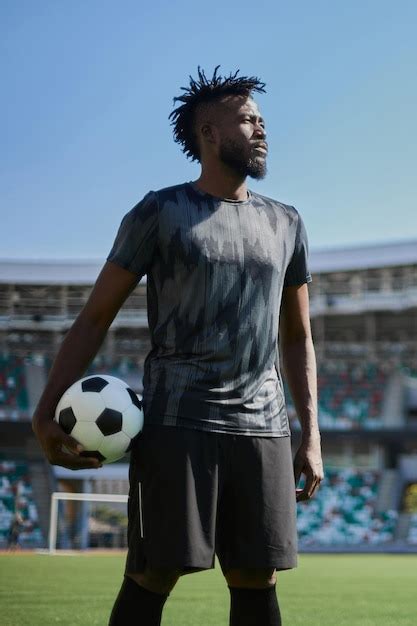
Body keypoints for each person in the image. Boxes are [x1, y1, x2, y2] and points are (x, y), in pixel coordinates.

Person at [33, 67, 323, 626]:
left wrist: (310, 431)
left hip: (262, 425)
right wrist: (45, 412)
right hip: (176, 420)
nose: (261, 129)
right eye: (247, 119)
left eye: (262, 120)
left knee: (255, 578)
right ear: (209, 133)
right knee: (154, 573)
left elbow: (297, 335)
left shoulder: (287, 222)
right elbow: (95, 316)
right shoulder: (159, 213)